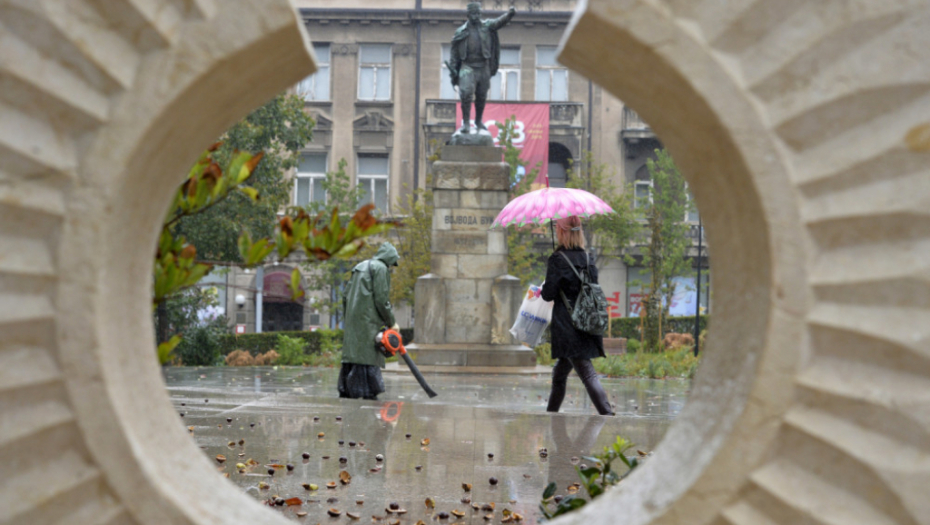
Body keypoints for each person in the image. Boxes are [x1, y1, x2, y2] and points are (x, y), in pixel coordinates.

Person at [541, 216, 614, 415]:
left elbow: (548, 294)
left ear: (562, 232)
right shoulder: (589, 259)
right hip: (588, 321)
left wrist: (545, 286)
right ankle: (551, 414)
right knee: (559, 373)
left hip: (568, 324)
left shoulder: (557, 259)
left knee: (587, 373)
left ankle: (607, 414)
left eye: (557, 227)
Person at [339, 242, 400, 400]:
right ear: (389, 258)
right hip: (369, 321)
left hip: (354, 319)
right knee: (368, 355)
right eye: (391, 263)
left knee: (354, 354)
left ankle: (348, 388)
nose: (391, 267)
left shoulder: (359, 266)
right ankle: (366, 390)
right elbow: (381, 299)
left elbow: (345, 296)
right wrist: (391, 322)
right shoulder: (381, 268)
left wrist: (349, 317)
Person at [448, 2, 516, 134]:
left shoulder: (487, 26)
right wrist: (453, 68)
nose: (476, 16)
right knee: (466, 94)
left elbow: (499, 22)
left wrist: (509, 14)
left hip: (483, 66)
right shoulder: (461, 31)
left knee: (481, 95)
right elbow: (454, 53)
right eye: (474, 13)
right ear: (468, 15)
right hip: (467, 66)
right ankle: (466, 123)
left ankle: (478, 121)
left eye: (478, 13)